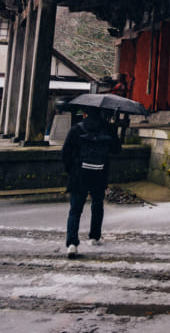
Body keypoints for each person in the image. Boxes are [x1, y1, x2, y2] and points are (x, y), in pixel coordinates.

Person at [61, 106, 122, 257]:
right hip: (99, 173)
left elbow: (65, 153)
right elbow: (117, 149)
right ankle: (94, 236)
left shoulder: (77, 129)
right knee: (97, 205)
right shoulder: (108, 128)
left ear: (84, 113)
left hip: (79, 174)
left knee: (75, 210)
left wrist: (71, 170)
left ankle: (72, 243)